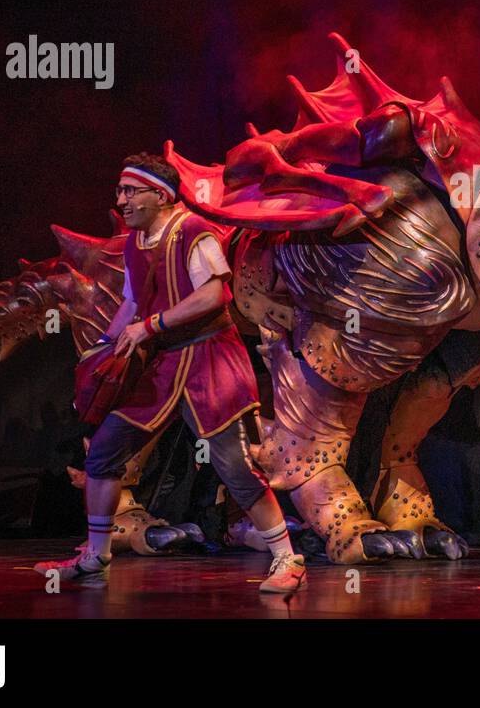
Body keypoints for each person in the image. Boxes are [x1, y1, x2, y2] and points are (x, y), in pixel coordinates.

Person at [35, 153, 306, 596]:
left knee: (234, 465)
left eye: (129, 191)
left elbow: (216, 294)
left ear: (159, 195)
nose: (120, 200)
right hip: (161, 367)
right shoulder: (134, 242)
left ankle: (286, 558)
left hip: (211, 361)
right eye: (119, 191)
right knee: (103, 453)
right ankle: (95, 556)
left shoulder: (193, 233)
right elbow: (131, 305)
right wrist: (103, 348)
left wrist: (153, 326)